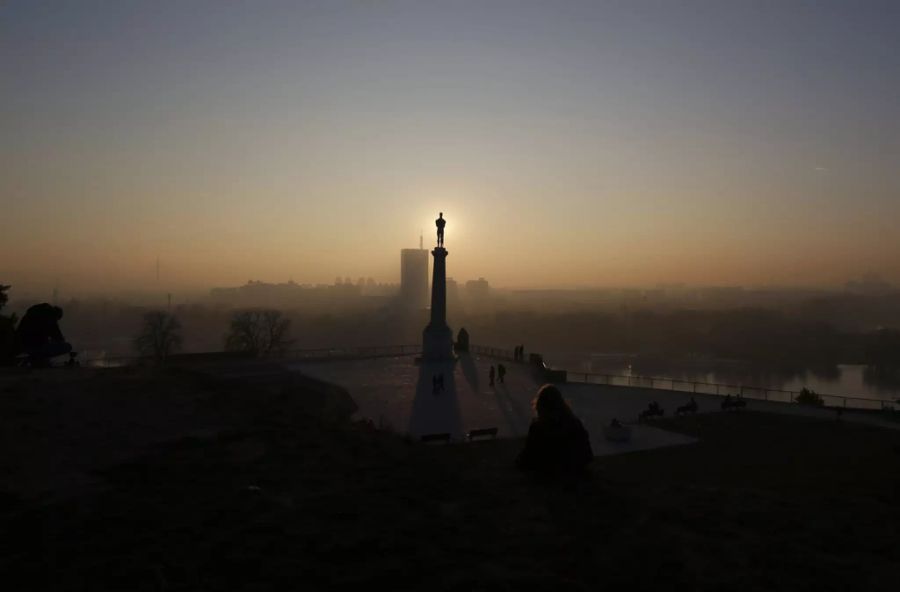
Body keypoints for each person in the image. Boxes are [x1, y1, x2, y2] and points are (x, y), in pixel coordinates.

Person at [516, 385, 593, 475]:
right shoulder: (575, 423)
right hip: (574, 476)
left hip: (550, 478)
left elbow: (526, 459)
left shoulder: (538, 427)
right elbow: (587, 456)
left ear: (540, 405)